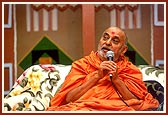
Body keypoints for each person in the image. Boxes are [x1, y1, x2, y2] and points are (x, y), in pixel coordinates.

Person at [46, 26, 159, 111]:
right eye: (105, 38)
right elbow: (69, 98)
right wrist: (97, 76)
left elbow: (136, 102)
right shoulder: (82, 65)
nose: (108, 43)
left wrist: (116, 80)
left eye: (115, 41)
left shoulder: (130, 70)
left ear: (123, 50)